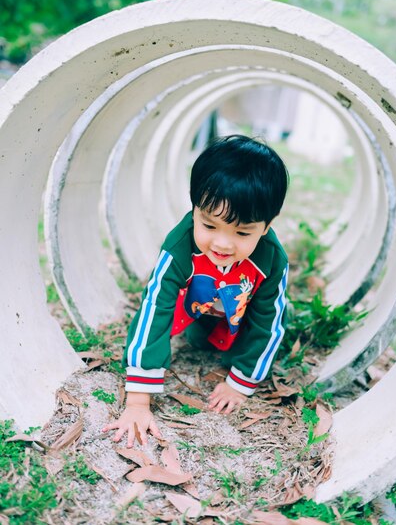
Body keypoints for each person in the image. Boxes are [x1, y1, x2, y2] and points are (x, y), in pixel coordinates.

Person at [103, 135, 289, 447]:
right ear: (194, 210)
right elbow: (155, 306)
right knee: (197, 340)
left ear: (267, 226)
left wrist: (241, 382)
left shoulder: (271, 259)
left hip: (239, 314)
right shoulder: (180, 246)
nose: (222, 243)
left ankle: (234, 348)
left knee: (279, 319)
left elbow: (269, 320)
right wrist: (138, 401)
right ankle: (202, 329)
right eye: (210, 225)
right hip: (199, 311)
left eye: (242, 232)